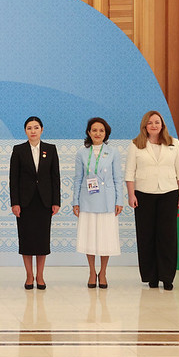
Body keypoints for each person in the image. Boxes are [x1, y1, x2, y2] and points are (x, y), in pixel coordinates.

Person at [125, 110, 179, 290]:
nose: (154, 125)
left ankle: (167, 277)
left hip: (169, 193)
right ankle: (151, 276)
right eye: (150, 122)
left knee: (167, 236)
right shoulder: (135, 145)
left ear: (162, 125)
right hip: (143, 194)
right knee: (146, 236)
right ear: (145, 126)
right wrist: (131, 194)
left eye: (157, 122)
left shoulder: (173, 143)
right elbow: (129, 172)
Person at [72, 117, 125, 289]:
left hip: (107, 200)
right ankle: (91, 271)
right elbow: (78, 178)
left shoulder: (113, 152)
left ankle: (103, 272)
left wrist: (119, 200)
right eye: (94, 130)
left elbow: (118, 178)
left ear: (106, 133)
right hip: (87, 199)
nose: (97, 133)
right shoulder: (82, 153)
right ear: (89, 132)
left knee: (105, 238)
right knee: (89, 237)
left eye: (101, 130)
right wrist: (75, 202)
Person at [9, 116, 60, 290]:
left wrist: (56, 201)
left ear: (42, 130)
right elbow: (13, 179)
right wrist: (15, 203)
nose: (33, 131)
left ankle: (40, 275)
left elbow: (55, 177)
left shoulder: (50, 149)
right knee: (27, 240)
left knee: (42, 240)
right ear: (25, 131)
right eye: (29, 128)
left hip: (44, 201)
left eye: (36, 127)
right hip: (25, 203)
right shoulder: (18, 150)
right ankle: (29, 275)